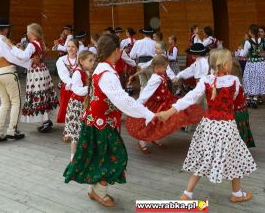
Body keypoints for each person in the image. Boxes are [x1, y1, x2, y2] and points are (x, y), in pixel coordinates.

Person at [63, 34, 156, 208]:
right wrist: (147, 114)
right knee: (114, 158)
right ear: (115, 51)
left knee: (100, 157)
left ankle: (95, 191)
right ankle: (99, 193)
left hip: (96, 122)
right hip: (100, 125)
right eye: (119, 49)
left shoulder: (101, 68)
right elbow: (123, 100)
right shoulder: (107, 73)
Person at [157, 49, 256, 203]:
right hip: (227, 127)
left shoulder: (205, 81)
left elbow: (190, 98)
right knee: (235, 158)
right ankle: (236, 194)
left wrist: (170, 111)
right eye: (230, 60)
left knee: (204, 157)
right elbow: (236, 99)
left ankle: (187, 194)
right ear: (224, 64)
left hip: (208, 126)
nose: (232, 62)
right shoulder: (234, 81)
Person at [126, 55, 203, 154]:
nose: (166, 68)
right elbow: (146, 93)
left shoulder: (162, 74)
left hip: (165, 101)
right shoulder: (155, 79)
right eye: (165, 67)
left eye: (166, 66)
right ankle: (142, 142)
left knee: (163, 122)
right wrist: (138, 105)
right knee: (149, 123)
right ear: (157, 68)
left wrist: (175, 78)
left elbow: (169, 73)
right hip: (154, 104)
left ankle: (155, 137)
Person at [3, 23, 59, 133]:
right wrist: (23, 48)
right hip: (43, 71)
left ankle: (46, 122)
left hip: (36, 73)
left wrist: (11, 45)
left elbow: (24, 56)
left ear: (33, 33)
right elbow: (29, 54)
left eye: (28, 31)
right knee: (44, 95)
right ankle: (46, 120)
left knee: (39, 95)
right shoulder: (40, 42)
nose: (27, 33)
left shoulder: (32, 44)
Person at [0, 18, 31, 141]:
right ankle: (12, 130)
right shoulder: (3, 40)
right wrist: (29, 63)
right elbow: (11, 58)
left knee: (4, 102)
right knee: (16, 102)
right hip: (8, 72)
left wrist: (13, 48)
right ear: (6, 29)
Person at [64, 50, 95, 161]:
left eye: (93, 60)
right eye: (90, 60)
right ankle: (73, 156)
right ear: (81, 61)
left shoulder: (87, 71)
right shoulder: (78, 73)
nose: (93, 62)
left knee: (83, 129)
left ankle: (85, 153)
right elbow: (76, 90)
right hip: (77, 106)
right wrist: (91, 88)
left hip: (84, 103)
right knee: (76, 131)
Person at [241, 24, 265, 108]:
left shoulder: (248, 42)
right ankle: (255, 98)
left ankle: (249, 97)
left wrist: (240, 50)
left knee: (250, 78)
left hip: (251, 63)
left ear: (250, 32)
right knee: (258, 79)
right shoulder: (264, 40)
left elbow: (243, 54)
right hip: (261, 63)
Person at [231, 59, 255, 148]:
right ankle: (242, 146)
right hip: (242, 111)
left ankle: (237, 148)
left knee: (236, 130)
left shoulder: (232, 84)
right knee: (242, 128)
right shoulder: (240, 83)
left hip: (236, 112)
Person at [56, 39, 79, 124]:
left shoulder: (80, 59)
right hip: (67, 87)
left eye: (73, 46)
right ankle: (68, 127)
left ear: (77, 48)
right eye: (69, 46)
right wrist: (73, 84)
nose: (70, 48)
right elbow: (63, 75)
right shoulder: (61, 60)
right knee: (66, 106)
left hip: (79, 87)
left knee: (78, 107)